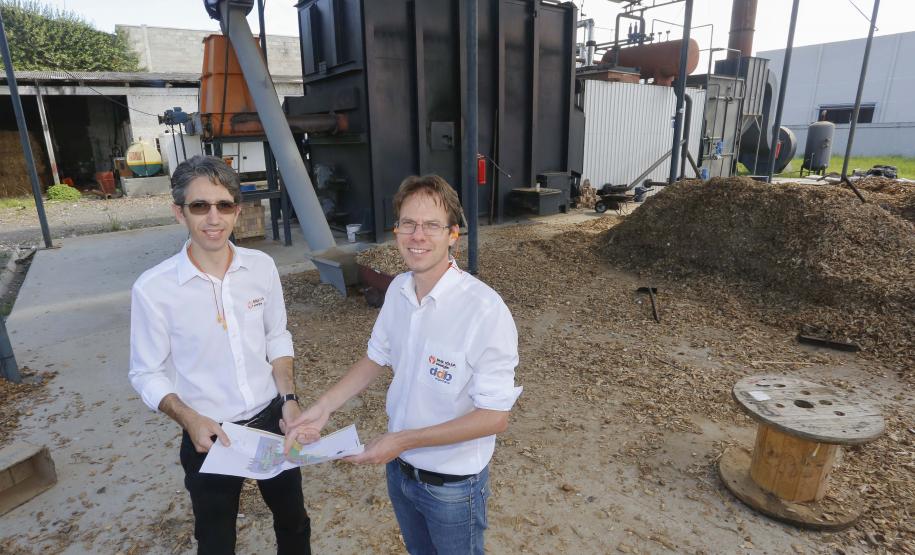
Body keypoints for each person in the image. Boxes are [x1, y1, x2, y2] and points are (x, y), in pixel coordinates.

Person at [285, 174, 521, 555]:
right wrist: (320, 409)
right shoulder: (398, 290)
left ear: (453, 235)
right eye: (408, 224)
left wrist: (400, 440)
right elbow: (376, 358)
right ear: (396, 232)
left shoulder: (484, 311)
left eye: (431, 225)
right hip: (400, 472)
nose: (417, 236)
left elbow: (495, 417)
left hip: (452, 486)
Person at [128, 155, 310, 555]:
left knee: (294, 523)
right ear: (179, 213)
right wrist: (190, 419)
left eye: (224, 205)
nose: (213, 218)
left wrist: (289, 401)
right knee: (215, 539)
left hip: (271, 421)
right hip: (207, 433)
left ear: (237, 211)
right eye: (200, 206)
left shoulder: (261, 267)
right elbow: (146, 372)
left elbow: (277, 337)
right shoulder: (154, 288)